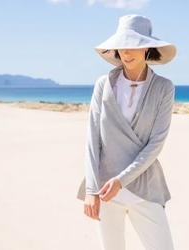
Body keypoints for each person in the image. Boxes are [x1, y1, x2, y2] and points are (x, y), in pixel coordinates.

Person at [75, 14, 178, 250]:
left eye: (134, 46)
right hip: (105, 191)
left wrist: (121, 181)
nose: (127, 53)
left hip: (145, 188)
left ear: (147, 49)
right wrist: (91, 190)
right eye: (122, 47)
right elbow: (93, 140)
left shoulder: (164, 88)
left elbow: (155, 144)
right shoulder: (104, 84)